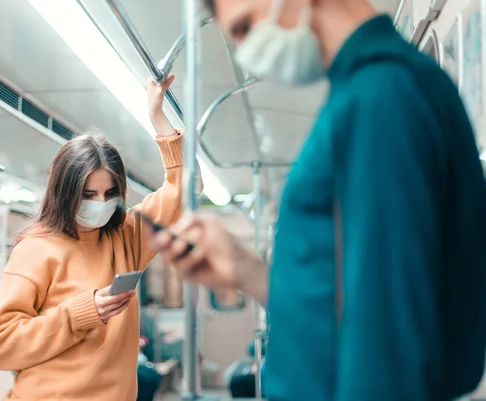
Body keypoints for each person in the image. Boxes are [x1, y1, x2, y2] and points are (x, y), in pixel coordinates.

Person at [150, 1, 486, 401]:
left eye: (243, 28)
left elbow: (385, 334)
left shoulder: (378, 99)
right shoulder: (371, 93)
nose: (247, 50)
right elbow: (340, 296)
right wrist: (248, 271)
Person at [0, 75, 187, 401]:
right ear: (66, 192)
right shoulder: (36, 249)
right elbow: (0, 346)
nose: (101, 204)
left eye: (110, 193)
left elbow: (184, 188)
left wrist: (158, 118)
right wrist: (82, 312)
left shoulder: (127, 237)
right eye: (88, 194)